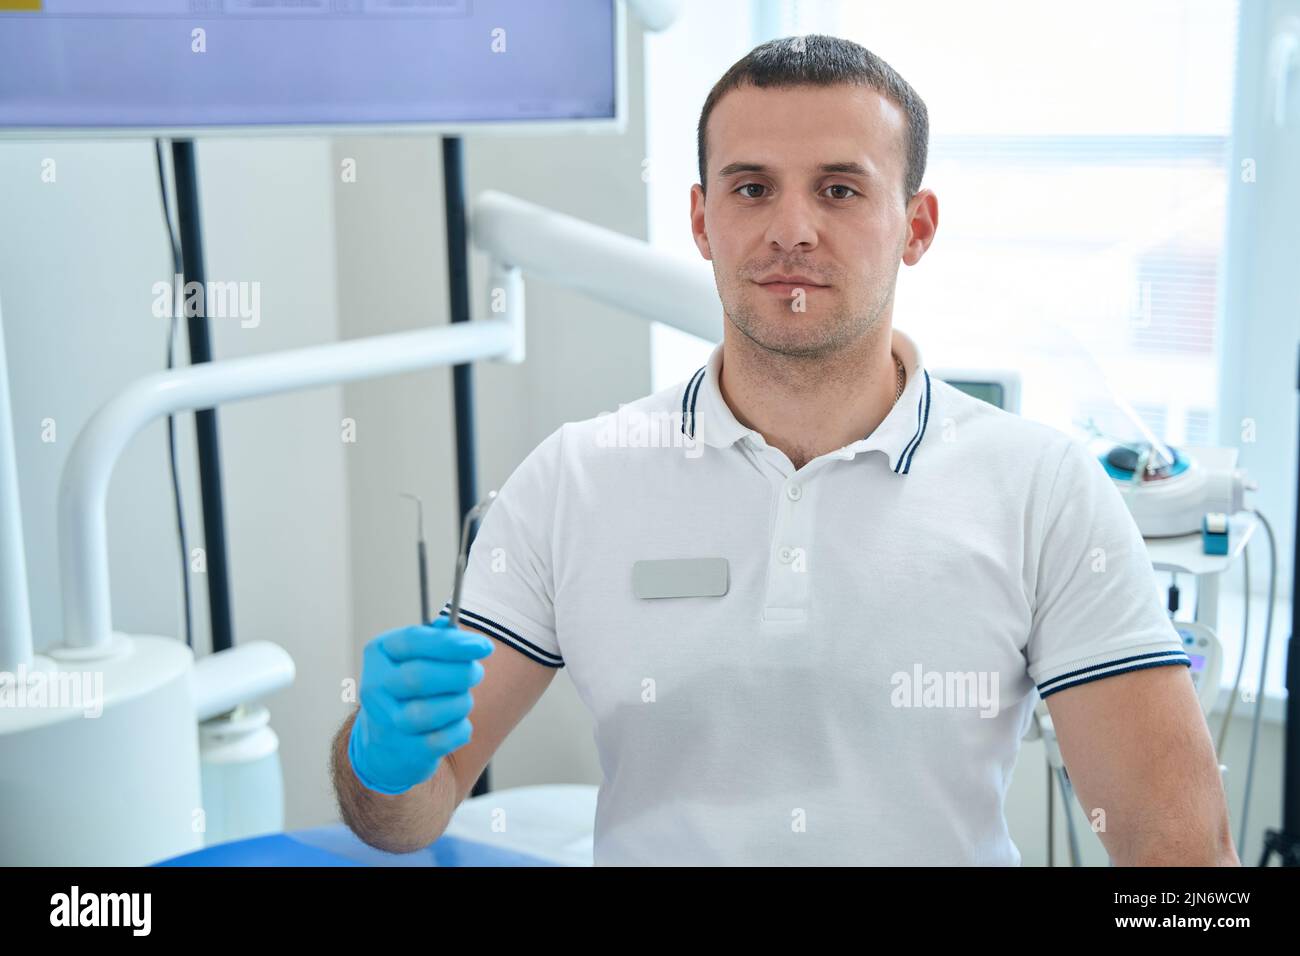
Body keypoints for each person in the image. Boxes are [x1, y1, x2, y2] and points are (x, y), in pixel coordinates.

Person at [332, 34, 1237, 866]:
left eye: (839, 189)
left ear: (916, 226)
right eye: (751, 187)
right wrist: (378, 759)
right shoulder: (576, 480)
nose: (791, 229)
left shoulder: (1043, 489)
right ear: (701, 219)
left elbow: (1181, 857)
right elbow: (410, 819)